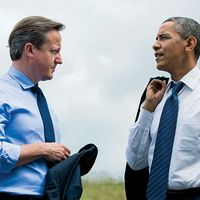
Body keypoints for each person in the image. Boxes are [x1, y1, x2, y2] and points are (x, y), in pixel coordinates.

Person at [125, 17, 200, 200]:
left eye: (163, 38)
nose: (155, 45)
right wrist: (147, 110)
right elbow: (135, 163)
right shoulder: (154, 94)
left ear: (189, 43)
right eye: (156, 38)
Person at [0, 16, 71, 199]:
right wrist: (42, 150)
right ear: (30, 50)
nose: (60, 60)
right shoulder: (2, 92)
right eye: (54, 51)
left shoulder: (39, 100)